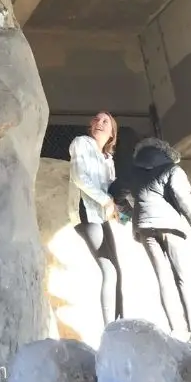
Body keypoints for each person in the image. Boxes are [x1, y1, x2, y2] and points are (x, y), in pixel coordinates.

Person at [125, 137, 191, 342]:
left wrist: (129, 211)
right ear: (167, 152)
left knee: (163, 278)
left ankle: (175, 331)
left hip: (144, 228)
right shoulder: (172, 169)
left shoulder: (133, 171)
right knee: (182, 277)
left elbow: (119, 193)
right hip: (170, 226)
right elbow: (183, 200)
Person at [69, 111, 124, 326]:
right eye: (96, 119)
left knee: (116, 267)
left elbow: (110, 187)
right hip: (85, 212)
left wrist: (117, 204)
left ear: (112, 133)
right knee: (108, 268)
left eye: (105, 121)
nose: (99, 123)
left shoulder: (108, 158)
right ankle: (110, 327)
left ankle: (121, 321)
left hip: (101, 214)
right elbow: (79, 177)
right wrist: (106, 201)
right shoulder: (81, 143)